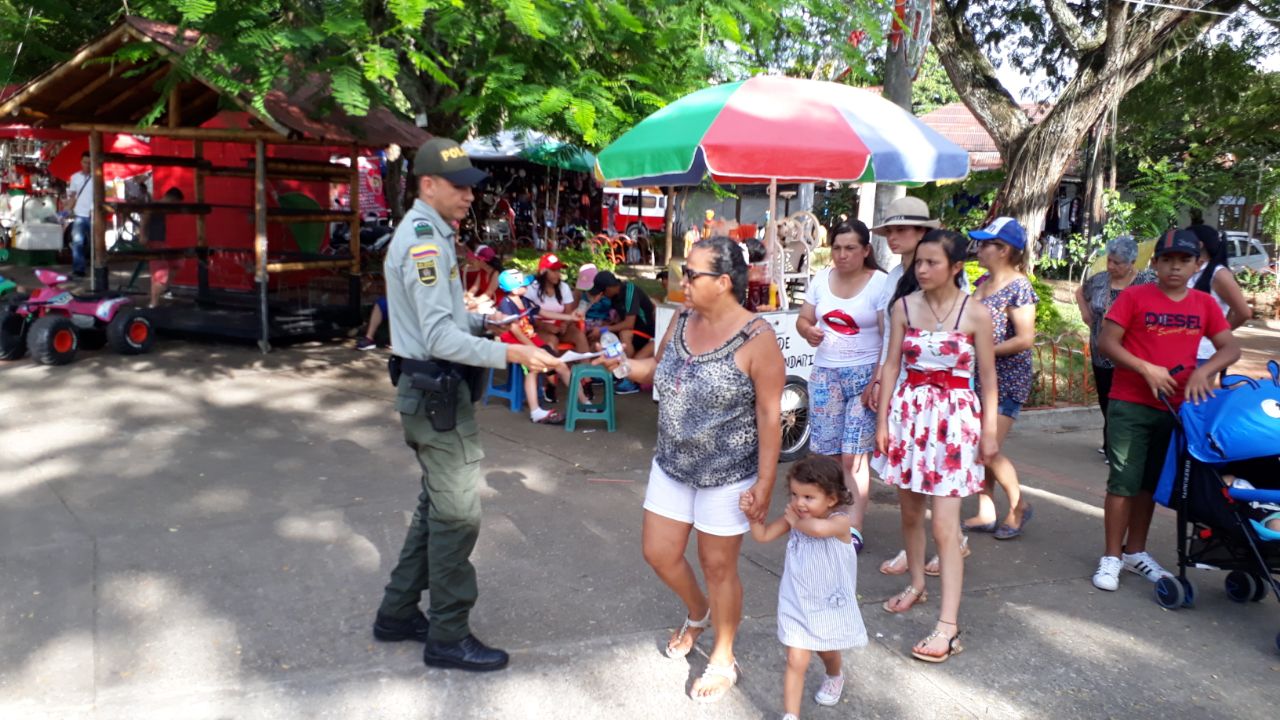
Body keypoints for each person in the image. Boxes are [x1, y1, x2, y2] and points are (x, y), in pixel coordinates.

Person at [373, 137, 562, 672]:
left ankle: (398, 613)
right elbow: (437, 339)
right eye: (459, 187)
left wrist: (485, 322)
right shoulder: (426, 242)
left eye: (470, 187)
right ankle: (448, 635)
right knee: (457, 516)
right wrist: (514, 351)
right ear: (427, 185)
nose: (470, 197)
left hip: (429, 391)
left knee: (435, 507)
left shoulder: (427, 233)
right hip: (436, 395)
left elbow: (437, 321)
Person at [601, 236, 784, 703]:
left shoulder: (758, 339)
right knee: (659, 554)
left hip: (729, 474)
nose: (682, 281)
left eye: (691, 274)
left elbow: (769, 415)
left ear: (723, 282)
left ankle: (723, 657)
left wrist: (765, 483)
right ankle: (698, 611)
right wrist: (623, 366)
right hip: (672, 464)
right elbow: (658, 370)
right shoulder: (682, 319)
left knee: (718, 567)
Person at [874, 229, 998, 664]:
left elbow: (988, 377)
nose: (922, 270)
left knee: (946, 526)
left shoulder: (976, 314)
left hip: (955, 422)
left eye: (932, 263)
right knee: (909, 512)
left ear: (956, 267)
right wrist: (883, 419)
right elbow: (891, 365)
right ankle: (915, 583)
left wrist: (989, 432)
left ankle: (948, 626)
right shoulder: (903, 307)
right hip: (909, 417)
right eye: (918, 263)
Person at [1092, 229, 1240, 592]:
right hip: (1130, 403)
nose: (1175, 267)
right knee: (1124, 482)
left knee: (1149, 485)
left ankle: (1136, 551)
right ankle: (1111, 556)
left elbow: (1229, 348)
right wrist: (1145, 368)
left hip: (1176, 410)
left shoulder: (1204, 304)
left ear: (1197, 264)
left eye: (1184, 260)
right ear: (1154, 263)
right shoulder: (1134, 296)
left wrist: (1204, 371)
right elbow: (1106, 342)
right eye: (1168, 260)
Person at [740, 455, 867, 719]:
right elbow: (762, 536)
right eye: (795, 494)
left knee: (826, 650)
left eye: (809, 497)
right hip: (796, 600)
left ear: (831, 499)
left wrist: (796, 523)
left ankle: (835, 674)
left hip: (827, 603)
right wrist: (752, 515)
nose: (799, 503)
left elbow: (819, 530)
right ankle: (791, 715)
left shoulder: (841, 522)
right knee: (795, 660)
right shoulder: (795, 518)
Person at [796, 220, 888, 550]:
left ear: (866, 250)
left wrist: (877, 379)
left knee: (854, 457)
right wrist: (807, 330)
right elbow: (803, 319)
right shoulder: (821, 279)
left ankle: (853, 527)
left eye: (850, 248)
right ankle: (833, 517)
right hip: (825, 374)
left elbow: (888, 335)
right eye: (836, 248)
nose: (842, 255)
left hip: (864, 376)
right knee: (830, 455)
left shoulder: (880, 283)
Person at [965, 217, 1038, 539]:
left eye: (985, 244)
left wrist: (985, 350)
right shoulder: (982, 282)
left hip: (1007, 379)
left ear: (1004, 250)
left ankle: (1018, 505)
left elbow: (1025, 338)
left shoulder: (1019, 286)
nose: (979, 250)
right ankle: (985, 510)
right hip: (979, 377)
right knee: (980, 445)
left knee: (988, 447)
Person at [1075, 236, 1157, 459]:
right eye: (1110, 261)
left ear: (1132, 262)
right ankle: (1111, 440)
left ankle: (1119, 446)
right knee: (1105, 397)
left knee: (1124, 400)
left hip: (1131, 352)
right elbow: (1080, 293)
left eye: (1117, 263)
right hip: (1101, 350)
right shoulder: (1100, 280)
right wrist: (1085, 312)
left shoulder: (1146, 281)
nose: (1111, 266)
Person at [493, 268, 586, 424]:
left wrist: (569, 317)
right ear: (514, 289)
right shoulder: (506, 304)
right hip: (516, 344)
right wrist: (532, 348)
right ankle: (535, 411)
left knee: (561, 365)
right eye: (524, 284)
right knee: (533, 368)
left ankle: (585, 402)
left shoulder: (524, 300)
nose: (528, 287)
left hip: (531, 340)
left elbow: (544, 313)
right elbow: (514, 329)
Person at [1186, 224, 1252, 368]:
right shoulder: (1192, 270)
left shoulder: (1219, 274)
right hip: (1182, 350)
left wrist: (1218, 334)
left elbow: (1244, 312)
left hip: (1202, 354)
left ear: (1199, 244)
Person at [586, 270, 656, 394]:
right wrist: (604, 327)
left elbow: (629, 323)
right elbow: (619, 319)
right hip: (632, 330)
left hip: (645, 331)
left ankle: (629, 378)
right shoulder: (614, 297)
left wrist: (603, 329)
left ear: (609, 288)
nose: (602, 296)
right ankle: (613, 371)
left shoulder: (630, 290)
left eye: (602, 292)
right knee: (607, 334)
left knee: (624, 333)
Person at [528, 252, 588, 353]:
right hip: (538, 327)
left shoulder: (564, 287)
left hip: (560, 326)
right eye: (553, 270)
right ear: (543, 272)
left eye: (559, 270)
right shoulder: (531, 288)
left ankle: (586, 367)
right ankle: (554, 367)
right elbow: (528, 316)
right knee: (552, 341)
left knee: (579, 336)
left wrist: (565, 325)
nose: (558, 274)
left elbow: (568, 312)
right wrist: (544, 326)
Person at [140, 187, 184, 308]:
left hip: (161, 242)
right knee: (160, 273)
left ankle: (162, 290)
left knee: (178, 262)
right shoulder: (155, 205)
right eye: (175, 203)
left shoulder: (163, 208)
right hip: (154, 242)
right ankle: (153, 303)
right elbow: (145, 217)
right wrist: (143, 235)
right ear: (172, 199)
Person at [66, 152, 95, 277]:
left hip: (94, 214)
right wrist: (68, 209)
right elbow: (72, 196)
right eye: (85, 162)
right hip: (79, 215)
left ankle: (98, 268)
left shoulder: (98, 177)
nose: (87, 165)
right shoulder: (75, 177)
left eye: (89, 162)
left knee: (97, 243)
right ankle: (79, 269)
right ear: (81, 162)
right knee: (77, 242)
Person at [462, 244, 500, 313]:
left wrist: (469, 306)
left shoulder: (496, 274)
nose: (472, 261)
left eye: (475, 259)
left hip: (498, 306)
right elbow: (474, 289)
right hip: (487, 304)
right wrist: (465, 299)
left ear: (482, 261)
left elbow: (488, 295)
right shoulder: (482, 272)